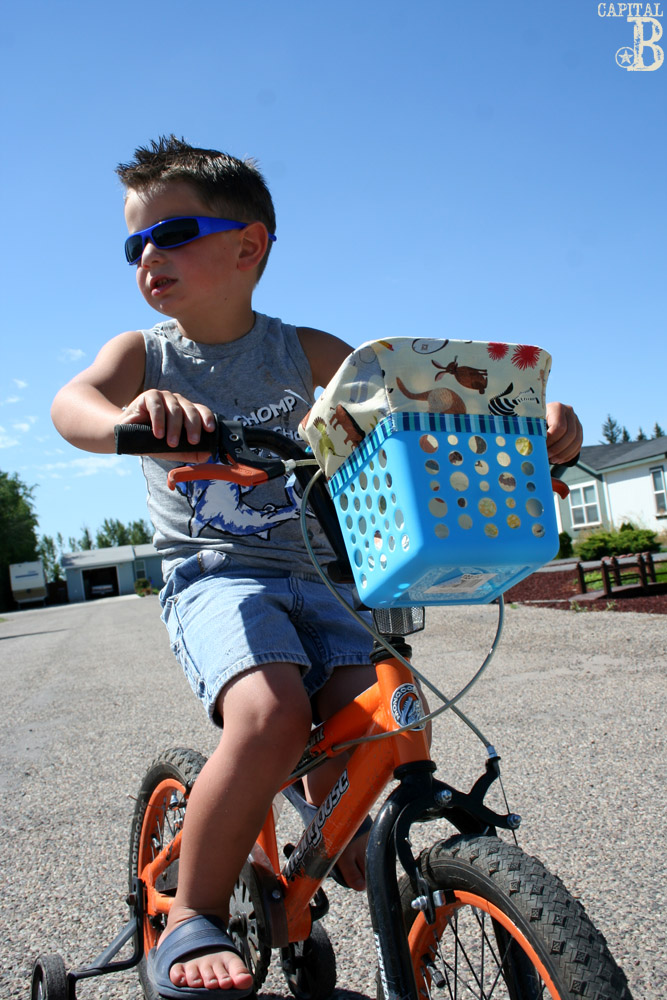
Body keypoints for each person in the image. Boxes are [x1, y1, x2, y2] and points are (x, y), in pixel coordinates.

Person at [51, 135, 583, 999]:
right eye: (133, 243)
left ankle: (330, 845)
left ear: (248, 246)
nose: (147, 256)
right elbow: (71, 403)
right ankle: (193, 913)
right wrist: (129, 419)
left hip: (325, 575)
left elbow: (420, 411)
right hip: (220, 576)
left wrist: (533, 424)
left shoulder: (308, 354)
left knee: (378, 718)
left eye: (170, 233)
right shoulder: (146, 356)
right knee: (269, 715)